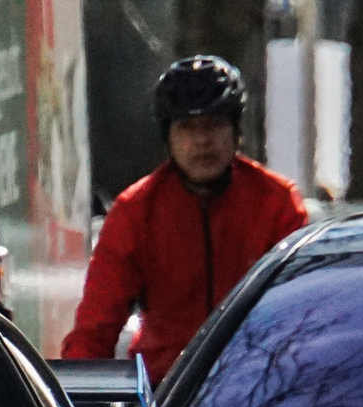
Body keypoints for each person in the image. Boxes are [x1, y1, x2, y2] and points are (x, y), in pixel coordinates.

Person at [59, 55, 309, 381]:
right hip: (164, 392)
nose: (202, 140)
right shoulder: (135, 212)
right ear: (168, 139)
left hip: (258, 389)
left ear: (237, 133)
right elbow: (96, 327)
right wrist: (79, 402)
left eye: (215, 125)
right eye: (187, 127)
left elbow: (302, 315)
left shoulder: (276, 203)